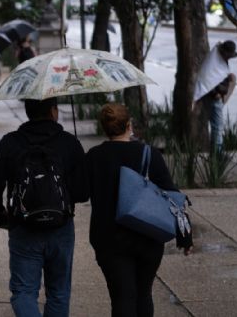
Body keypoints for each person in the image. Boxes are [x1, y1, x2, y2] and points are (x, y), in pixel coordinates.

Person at [85, 103, 192, 317]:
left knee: (122, 296)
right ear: (129, 125)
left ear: (105, 128)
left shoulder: (94, 156)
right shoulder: (149, 154)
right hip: (148, 235)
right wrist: (185, 235)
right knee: (143, 293)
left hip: (108, 239)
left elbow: (79, 193)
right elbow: (171, 195)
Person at [0, 98, 88, 317]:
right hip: (61, 228)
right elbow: (82, 193)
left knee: (23, 291)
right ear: (53, 111)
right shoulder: (69, 143)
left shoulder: (10, 142)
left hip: (23, 227)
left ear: (28, 111)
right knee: (59, 292)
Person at [193, 41, 237, 153]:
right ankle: (217, 154)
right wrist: (215, 93)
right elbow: (208, 80)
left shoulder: (218, 58)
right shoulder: (215, 60)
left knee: (217, 126)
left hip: (217, 95)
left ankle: (217, 152)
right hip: (213, 97)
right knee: (217, 126)